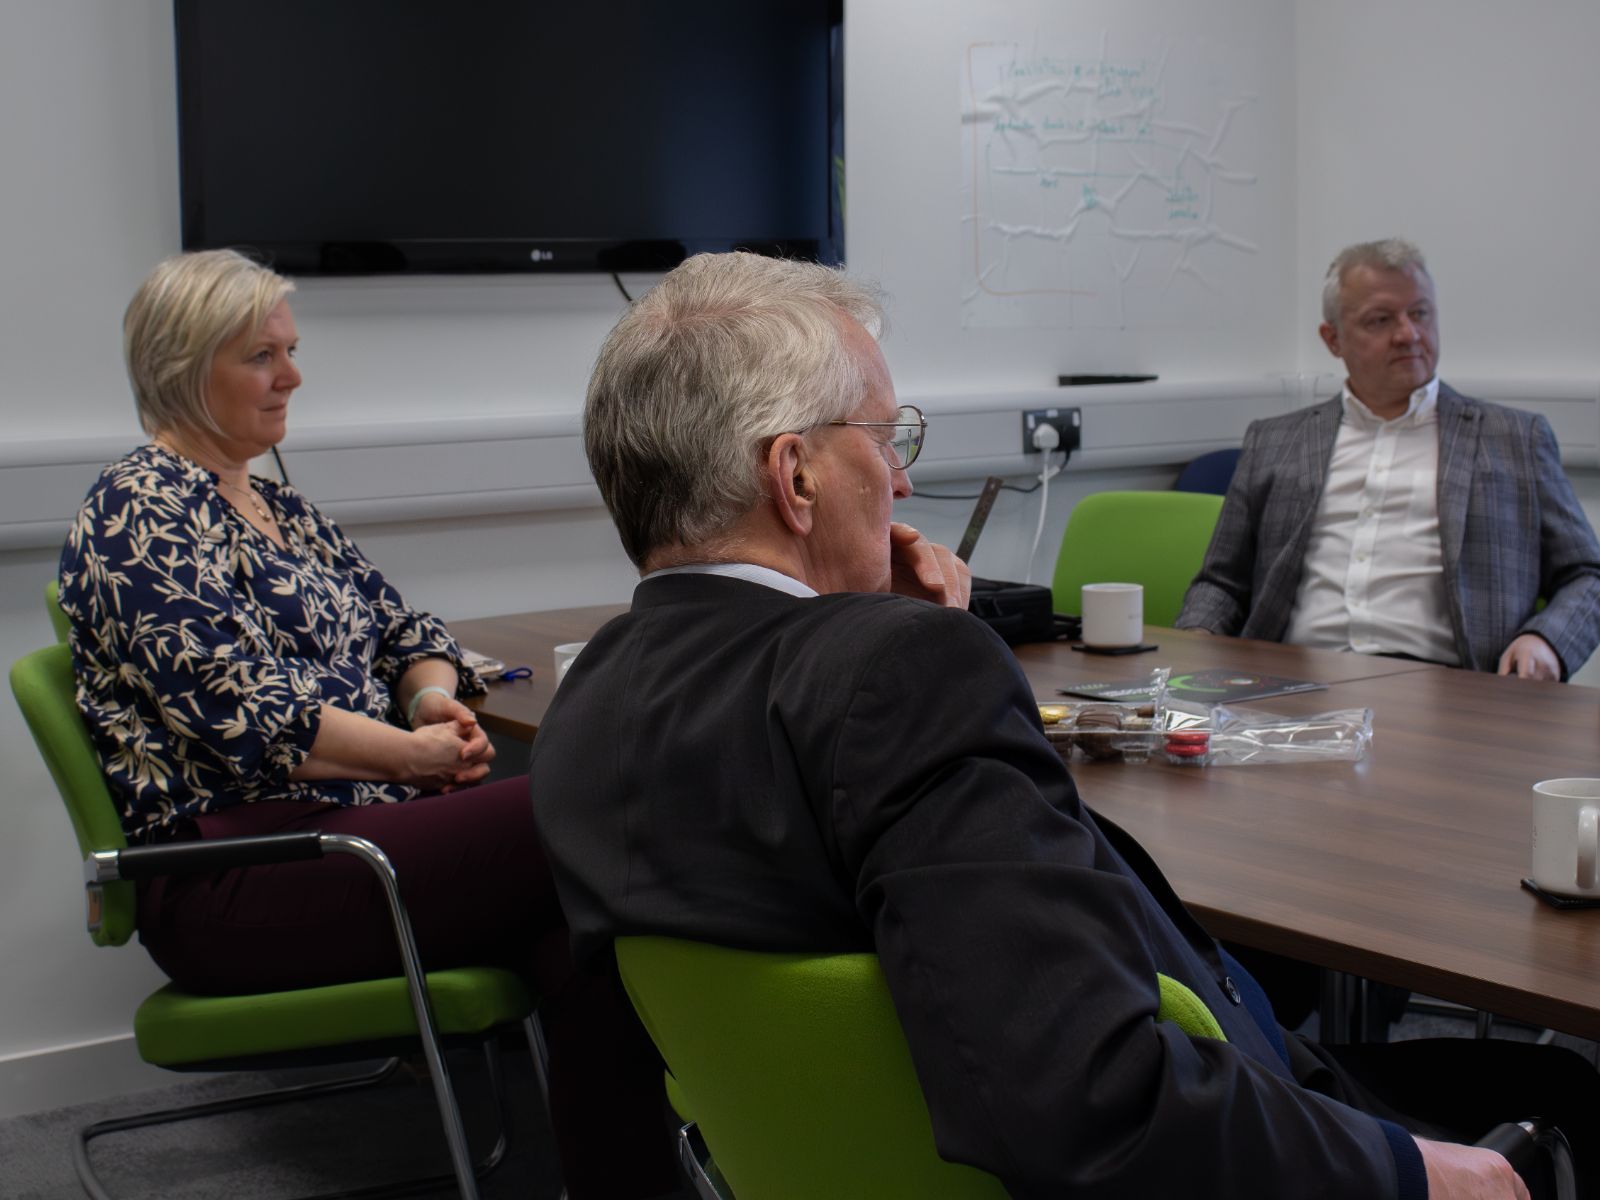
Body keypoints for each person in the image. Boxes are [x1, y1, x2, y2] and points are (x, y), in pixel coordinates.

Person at [530, 250, 1598, 1200]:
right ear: (795, 475)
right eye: (886, 435)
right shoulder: (899, 676)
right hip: (1204, 1144)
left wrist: (888, 643)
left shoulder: (594, 697)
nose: (900, 478)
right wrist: (1410, 1170)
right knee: (1562, 1090)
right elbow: (1091, 1099)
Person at [58, 250, 675, 1200]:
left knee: (579, 925)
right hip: (238, 877)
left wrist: (431, 698)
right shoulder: (134, 513)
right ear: (185, 365)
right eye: (263, 357)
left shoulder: (275, 504)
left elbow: (407, 632)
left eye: (290, 351)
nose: (293, 377)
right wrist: (419, 757)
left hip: (351, 845)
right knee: (578, 803)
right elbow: (252, 722)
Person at [1177, 237, 1600, 681]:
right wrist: (1194, 643)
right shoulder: (1276, 441)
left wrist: (1547, 639)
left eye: (1419, 313)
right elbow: (1221, 583)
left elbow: (1587, 575)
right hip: (1287, 683)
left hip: (1450, 690)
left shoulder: (1513, 439)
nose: (1407, 334)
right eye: (1380, 320)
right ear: (1333, 339)